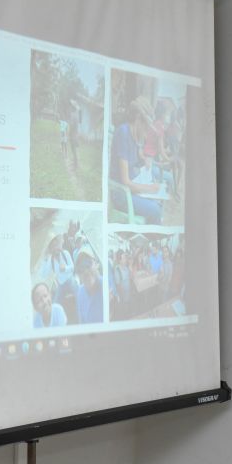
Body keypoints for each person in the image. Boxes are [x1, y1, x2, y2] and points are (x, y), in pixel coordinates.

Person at [109, 96, 163, 224]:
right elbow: (125, 181)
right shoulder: (123, 133)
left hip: (131, 189)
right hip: (121, 193)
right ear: (138, 118)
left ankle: (149, 235)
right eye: (146, 127)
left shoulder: (134, 137)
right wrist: (150, 188)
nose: (147, 131)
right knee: (155, 210)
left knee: (158, 204)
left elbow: (134, 161)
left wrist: (145, 160)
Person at [75, 253, 104, 324]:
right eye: (80, 269)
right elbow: (81, 323)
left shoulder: (106, 286)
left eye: (88, 264)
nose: (85, 271)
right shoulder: (80, 292)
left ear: (97, 264)